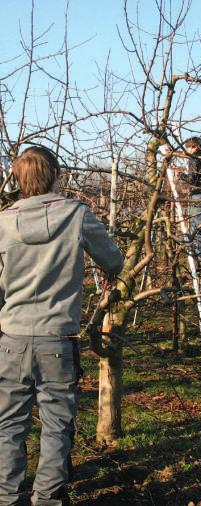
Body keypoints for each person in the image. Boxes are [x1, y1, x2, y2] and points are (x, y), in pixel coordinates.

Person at [0, 146, 123, 504]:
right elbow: (114, 261)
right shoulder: (76, 215)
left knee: (8, 425)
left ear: (18, 179)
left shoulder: (4, 222)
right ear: (55, 174)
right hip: (57, 338)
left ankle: (7, 497)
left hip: (12, 338)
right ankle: (48, 498)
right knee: (56, 425)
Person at [179, 137, 201, 270]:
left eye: (188, 147)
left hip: (198, 197)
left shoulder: (195, 159)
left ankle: (200, 260)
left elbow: (192, 179)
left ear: (196, 147)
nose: (186, 150)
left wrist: (180, 175)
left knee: (195, 228)